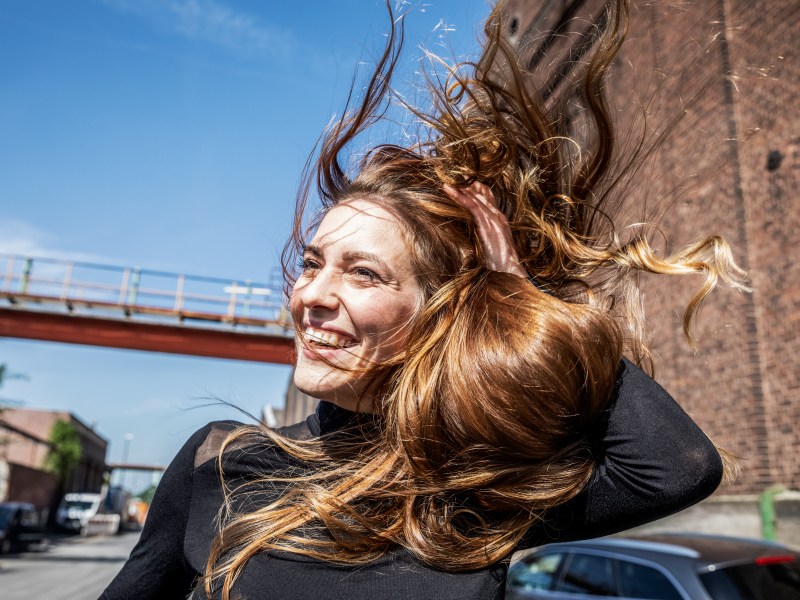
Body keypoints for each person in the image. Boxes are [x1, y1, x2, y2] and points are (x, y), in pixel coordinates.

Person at [101, 1, 747, 599]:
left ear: (436, 314)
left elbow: (678, 467)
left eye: (364, 274)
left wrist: (521, 301)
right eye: (312, 263)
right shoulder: (221, 462)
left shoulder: (474, 487)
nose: (313, 296)